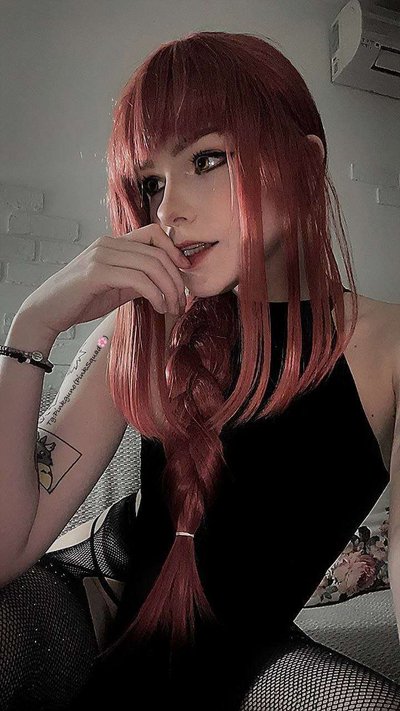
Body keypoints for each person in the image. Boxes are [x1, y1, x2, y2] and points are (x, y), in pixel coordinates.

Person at [0, 30, 399, 711]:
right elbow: (8, 549)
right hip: (85, 616)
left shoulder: (388, 350)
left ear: (304, 164)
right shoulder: (147, 325)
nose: (167, 209)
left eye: (207, 159)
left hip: (242, 663)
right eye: (151, 182)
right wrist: (30, 329)